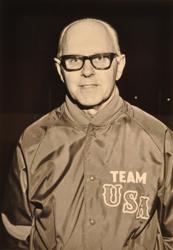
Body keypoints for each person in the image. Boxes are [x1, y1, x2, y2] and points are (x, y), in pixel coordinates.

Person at [1, 18, 173, 250]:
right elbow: (15, 233)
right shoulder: (33, 141)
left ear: (119, 65)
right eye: (74, 60)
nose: (87, 71)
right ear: (59, 69)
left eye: (100, 58)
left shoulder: (158, 139)